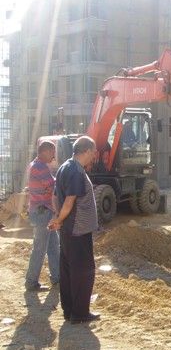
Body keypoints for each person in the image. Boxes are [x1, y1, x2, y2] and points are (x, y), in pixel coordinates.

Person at [48, 136, 100, 324]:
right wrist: (60, 219)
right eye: (93, 151)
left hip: (68, 229)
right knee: (84, 271)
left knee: (68, 269)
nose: (94, 155)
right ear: (86, 151)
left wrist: (58, 219)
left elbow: (55, 197)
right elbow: (70, 201)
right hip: (78, 230)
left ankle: (69, 310)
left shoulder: (64, 167)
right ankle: (79, 313)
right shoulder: (77, 172)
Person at [25, 141, 60, 291]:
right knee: (40, 248)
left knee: (53, 246)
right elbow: (52, 187)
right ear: (45, 151)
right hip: (43, 212)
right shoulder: (40, 167)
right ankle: (31, 282)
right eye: (53, 152)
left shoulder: (34, 165)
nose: (54, 156)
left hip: (41, 211)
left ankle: (57, 278)